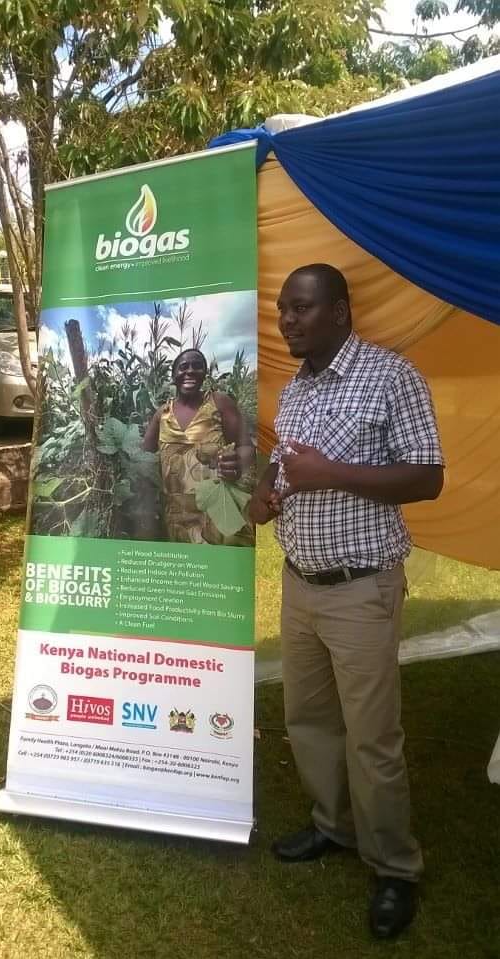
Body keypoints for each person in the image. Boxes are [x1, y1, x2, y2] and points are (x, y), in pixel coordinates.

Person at [249, 264, 444, 940]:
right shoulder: (295, 389)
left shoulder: (392, 377)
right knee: (308, 719)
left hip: (361, 588)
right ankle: (332, 825)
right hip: (300, 584)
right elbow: (284, 466)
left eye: (300, 308)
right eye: (282, 309)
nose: (287, 320)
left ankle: (394, 866)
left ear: (338, 311)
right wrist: (266, 492)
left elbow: (428, 477)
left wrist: (329, 473)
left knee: (372, 736)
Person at [144, 348, 254, 545]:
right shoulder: (162, 414)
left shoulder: (219, 403)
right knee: (187, 563)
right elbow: (143, 455)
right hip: (177, 515)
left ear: (205, 373)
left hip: (218, 509)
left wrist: (236, 463)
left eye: (197, 366)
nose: (190, 371)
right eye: (183, 367)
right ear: (174, 375)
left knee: (219, 562)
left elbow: (246, 447)